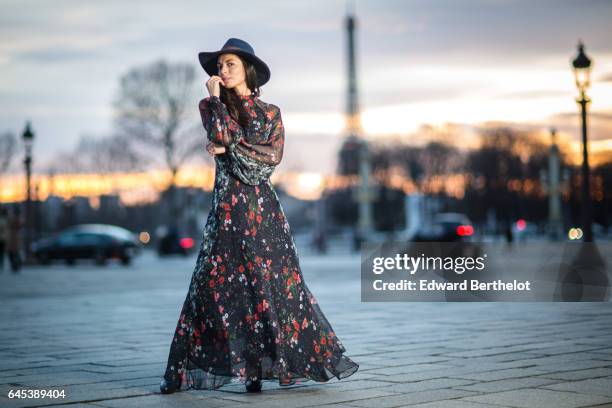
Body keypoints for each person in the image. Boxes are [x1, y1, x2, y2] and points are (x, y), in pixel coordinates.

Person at [160, 38, 358, 394]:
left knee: (272, 288)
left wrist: (230, 148)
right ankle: (182, 373)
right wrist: (223, 120)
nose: (222, 71)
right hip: (226, 211)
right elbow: (223, 134)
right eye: (219, 66)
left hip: (264, 214)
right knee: (211, 286)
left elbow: (268, 162)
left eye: (230, 64)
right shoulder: (211, 106)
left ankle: (258, 370)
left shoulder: (271, 113)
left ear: (247, 69)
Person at [7, 206, 22, 273]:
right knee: (14, 253)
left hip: (13, 237)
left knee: (13, 253)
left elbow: (9, 224)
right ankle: (15, 266)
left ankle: (15, 266)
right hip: (15, 237)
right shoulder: (18, 218)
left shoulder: (14, 218)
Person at [0, 207, 7, 271]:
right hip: (4, 239)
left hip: (3, 239)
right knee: (2, 253)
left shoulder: (4, 220)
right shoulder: (5, 220)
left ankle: (1, 264)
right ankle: (1, 264)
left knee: (1, 253)